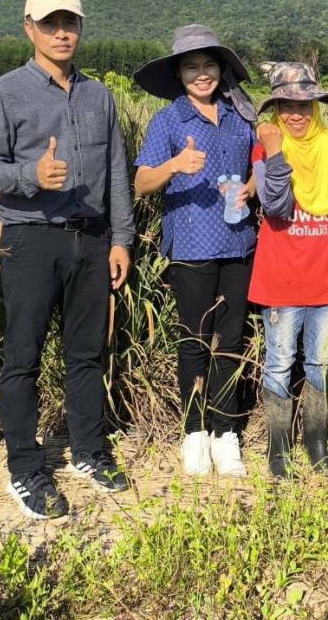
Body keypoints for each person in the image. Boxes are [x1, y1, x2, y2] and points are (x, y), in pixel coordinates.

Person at [0, 0, 135, 519]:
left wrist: (120, 239)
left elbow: (116, 174)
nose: (62, 32)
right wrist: (30, 175)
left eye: (70, 22)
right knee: (22, 356)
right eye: (50, 23)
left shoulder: (99, 95)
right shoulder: (5, 92)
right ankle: (25, 466)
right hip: (30, 236)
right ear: (29, 28)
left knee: (86, 351)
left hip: (90, 239)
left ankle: (89, 450)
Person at [133, 25, 258, 477]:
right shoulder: (168, 121)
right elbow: (142, 183)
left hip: (239, 242)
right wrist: (174, 165)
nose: (201, 74)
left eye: (208, 66)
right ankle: (193, 432)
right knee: (194, 340)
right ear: (179, 74)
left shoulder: (240, 116)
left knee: (230, 341)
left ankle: (227, 433)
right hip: (190, 243)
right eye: (191, 67)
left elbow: (259, 169)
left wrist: (250, 187)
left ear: (220, 70)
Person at [249, 62, 328, 479]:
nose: (296, 114)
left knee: (319, 362)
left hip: (326, 275)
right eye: (286, 105)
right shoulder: (265, 149)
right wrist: (277, 153)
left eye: (304, 104)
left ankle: (316, 441)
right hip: (280, 277)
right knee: (279, 362)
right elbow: (276, 206)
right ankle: (277, 449)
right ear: (276, 108)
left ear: (316, 106)